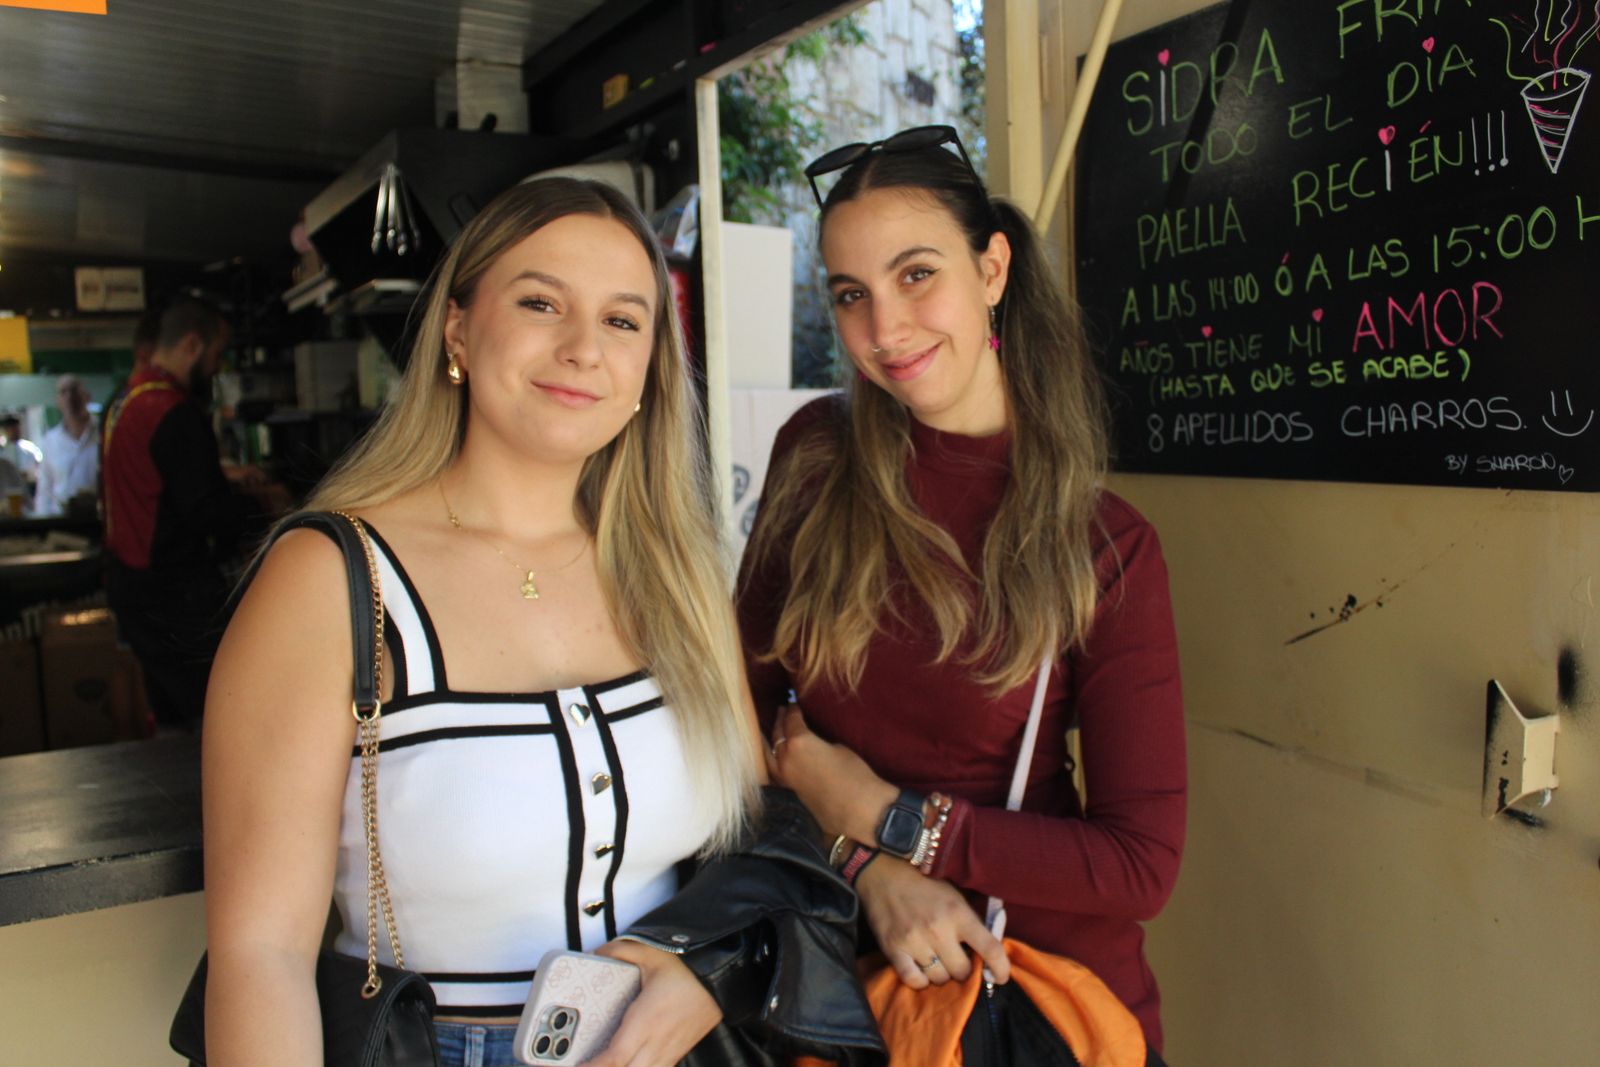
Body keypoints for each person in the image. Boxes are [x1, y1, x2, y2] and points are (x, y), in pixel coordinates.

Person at [201, 178, 883, 1067]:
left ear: (648, 369)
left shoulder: (672, 573)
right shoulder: (332, 580)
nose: (582, 349)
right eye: (539, 302)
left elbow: (750, 829)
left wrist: (698, 970)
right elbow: (262, 957)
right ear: (457, 328)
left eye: (623, 321)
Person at [738, 126, 1186, 1056]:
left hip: (1028, 1000)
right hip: (836, 988)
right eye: (851, 295)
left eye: (915, 275)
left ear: (991, 270)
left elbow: (1140, 865)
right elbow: (741, 715)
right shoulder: (816, 456)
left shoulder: (1103, 542)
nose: (884, 332)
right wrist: (863, 864)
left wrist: (898, 821)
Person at [102, 294, 247, 727]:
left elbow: (151, 481)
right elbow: (205, 509)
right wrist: (263, 510)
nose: (217, 367)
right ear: (191, 345)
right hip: (172, 590)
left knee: (173, 715)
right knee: (215, 713)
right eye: (216, 354)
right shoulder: (171, 410)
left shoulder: (125, 401)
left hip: (131, 583)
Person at [34, 375, 100, 517]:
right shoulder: (50, 441)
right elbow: (44, 491)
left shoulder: (103, 434)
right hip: (62, 523)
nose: (69, 397)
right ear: (57, 401)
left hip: (98, 520)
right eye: (63, 392)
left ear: (87, 397)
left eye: (74, 390)